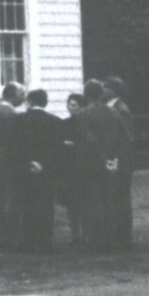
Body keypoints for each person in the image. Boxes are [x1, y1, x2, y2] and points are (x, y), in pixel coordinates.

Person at [73, 80, 131, 251]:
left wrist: (103, 159)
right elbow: (125, 138)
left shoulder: (82, 115)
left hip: (91, 163)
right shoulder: (114, 113)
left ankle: (96, 239)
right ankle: (111, 238)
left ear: (86, 95)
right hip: (112, 161)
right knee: (109, 200)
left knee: (92, 200)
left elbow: (89, 141)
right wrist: (114, 159)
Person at [16, 89, 66, 253]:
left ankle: (29, 240)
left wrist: (29, 162)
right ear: (45, 102)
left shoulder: (18, 121)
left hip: (25, 169)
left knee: (27, 204)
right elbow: (58, 149)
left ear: (29, 101)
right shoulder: (56, 122)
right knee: (46, 205)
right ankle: (45, 241)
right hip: (47, 170)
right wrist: (44, 164)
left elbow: (16, 148)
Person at [0, 83, 27, 249]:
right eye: (21, 93)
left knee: (2, 197)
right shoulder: (10, 113)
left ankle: (3, 236)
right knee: (11, 197)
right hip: (8, 158)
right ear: (13, 94)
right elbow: (15, 138)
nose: (23, 97)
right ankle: (12, 237)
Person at [104, 75, 135, 248]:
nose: (104, 91)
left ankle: (124, 236)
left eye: (106, 87)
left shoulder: (121, 109)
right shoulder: (112, 107)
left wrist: (116, 158)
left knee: (121, 196)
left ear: (113, 90)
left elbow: (126, 137)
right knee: (115, 196)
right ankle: (117, 233)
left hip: (121, 160)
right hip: (116, 158)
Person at [60, 92, 88, 245]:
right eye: (69, 104)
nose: (70, 107)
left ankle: (85, 233)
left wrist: (75, 146)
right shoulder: (65, 123)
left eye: (74, 105)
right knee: (72, 203)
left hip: (83, 166)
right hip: (69, 168)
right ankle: (75, 233)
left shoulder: (86, 123)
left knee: (85, 201)